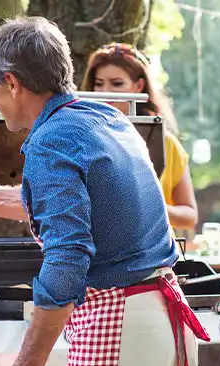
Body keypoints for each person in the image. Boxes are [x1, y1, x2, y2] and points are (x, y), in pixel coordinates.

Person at [0, 17, 206, 366]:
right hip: (157, 319)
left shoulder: (51, 139)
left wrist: (28, 365)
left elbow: (68, 254)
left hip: (118, 326)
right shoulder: (103, 119)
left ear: (13, 83)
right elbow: (68, 205)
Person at [81, 42, 199, 231]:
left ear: (139, 86)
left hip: (155, 255)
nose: (105, 93)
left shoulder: (165, 143)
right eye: (99, 84)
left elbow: (189, 217)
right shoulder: (80, 139)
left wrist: (149, 204)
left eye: (117, 83)